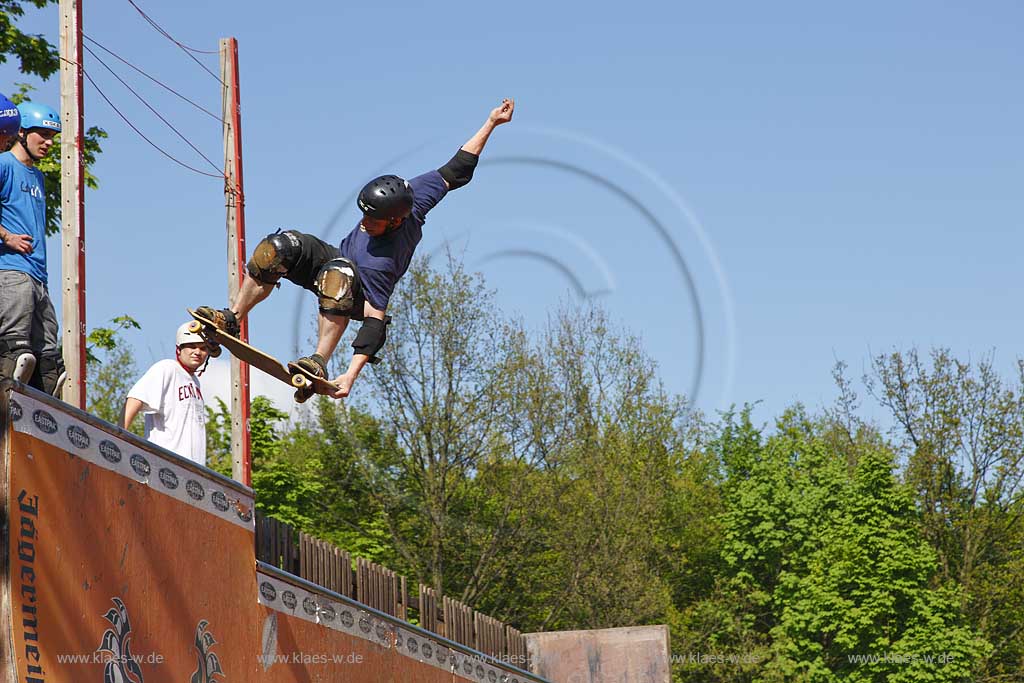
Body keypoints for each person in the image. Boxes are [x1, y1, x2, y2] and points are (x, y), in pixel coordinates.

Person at [196, 97, 515, 400]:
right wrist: (491, 123)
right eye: (363, 213)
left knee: (340, 274)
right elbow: (457, 168)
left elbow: (375, 325)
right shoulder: (413, 195)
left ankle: (319, 358)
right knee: (279, 247)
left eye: (373, 219)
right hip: (333, 261)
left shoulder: (382, 266)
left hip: (356, 291)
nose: (365, 222)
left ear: (394, 222)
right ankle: (233, 318)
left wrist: (351, 375)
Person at [0, 101, 65, 393]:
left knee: (48, 362)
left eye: (53, 137)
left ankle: (35, 422)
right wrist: (6, 236)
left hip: (39, 277)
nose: (49, 143)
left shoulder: (37, 176)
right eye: (44, 135)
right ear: (22, 133)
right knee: (15, 351)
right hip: (11, 271)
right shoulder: (4, 164)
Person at [124, 322, 211, 466]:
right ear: (179, 349)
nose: (197, 352)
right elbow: (135, 398)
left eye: (203, 348)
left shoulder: (194, 381)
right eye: (191, 346)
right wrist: (117, 435)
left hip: (193, 470)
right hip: (164, 465)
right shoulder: (167, 368)